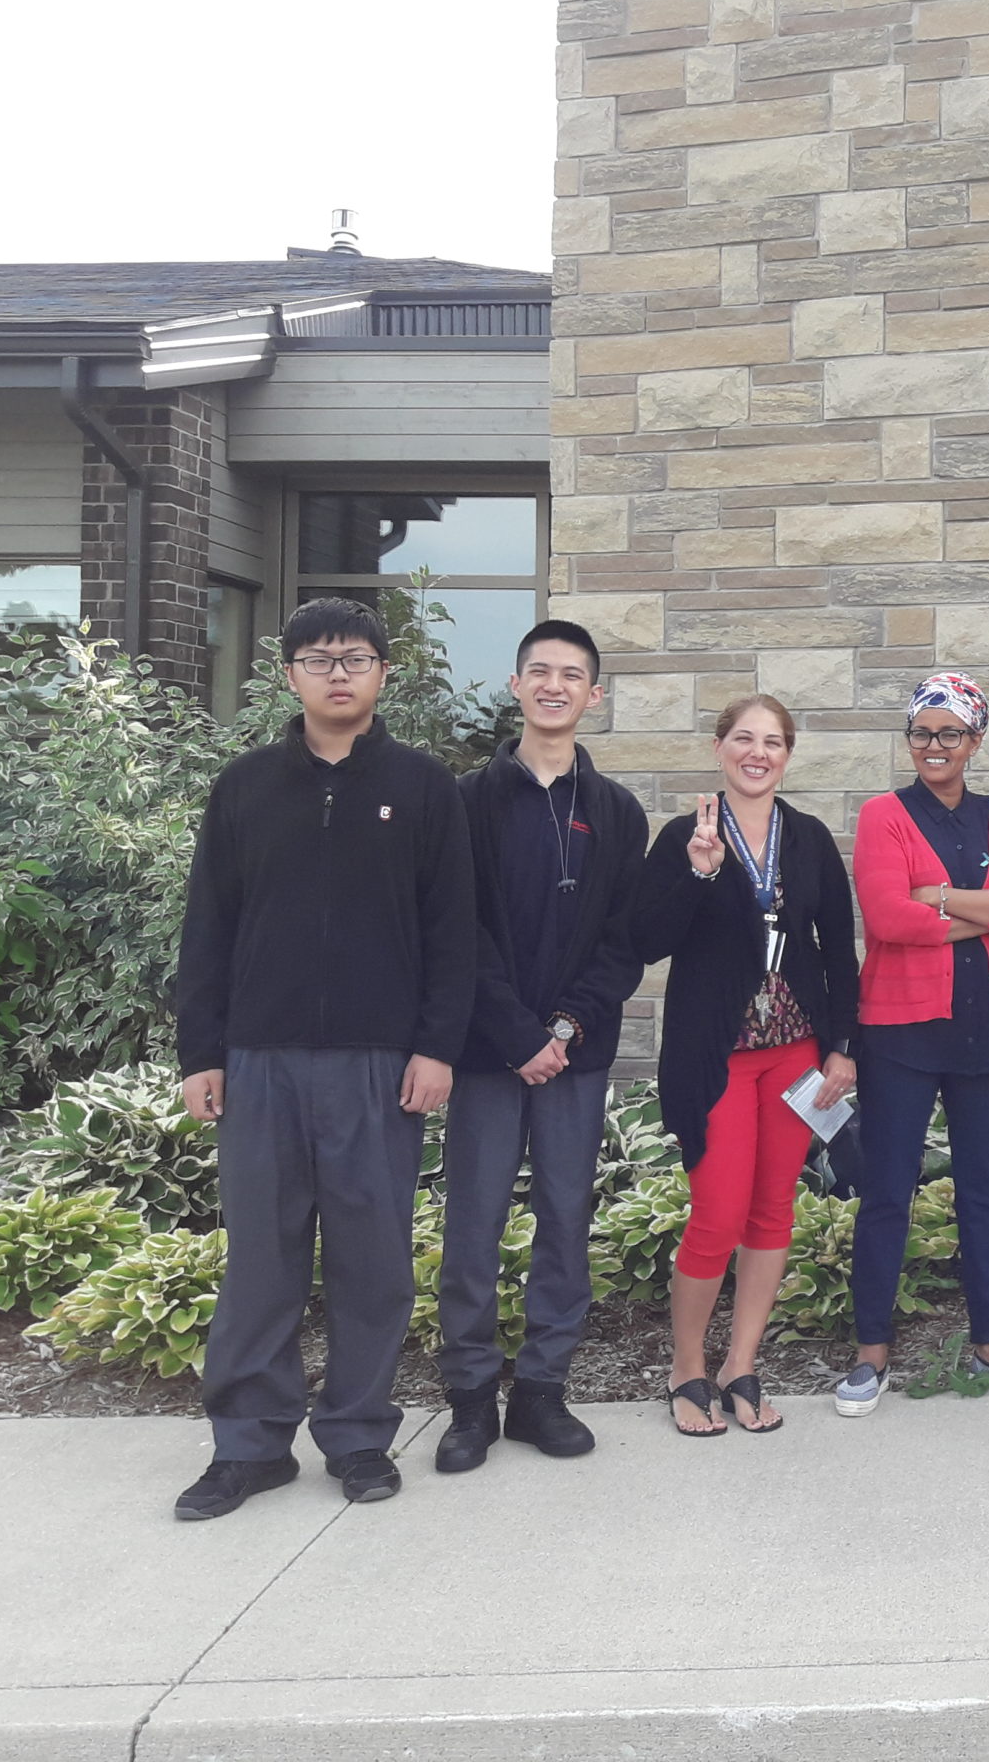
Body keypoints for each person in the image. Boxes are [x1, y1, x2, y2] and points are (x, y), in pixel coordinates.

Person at [173, 598, 476, 1520]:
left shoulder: (425, 788)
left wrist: (436, 1048)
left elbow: (453, 934)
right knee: (261, 1258)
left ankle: (356, 1436)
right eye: (317, 658)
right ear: (290, 674)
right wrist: (202, 1050)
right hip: (260, 1059)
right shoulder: (246, 786)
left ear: (384, 673)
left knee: (370, 1258)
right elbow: (208, 929)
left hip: (378, 1066)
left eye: (355, 657)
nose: (337, 672)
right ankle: (250, 1445)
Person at [432, 620, 645, 1473]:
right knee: (473, 1223)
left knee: (565, 1218)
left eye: (574, 675)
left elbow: (624, 941)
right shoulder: (465, 801)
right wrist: (516, 1033)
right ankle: (470, 1400)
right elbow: (455, 930)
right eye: (540, 672)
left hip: (573, 1058)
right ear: (516, 686)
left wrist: (561, 1031)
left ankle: (543, 1391)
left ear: (594, 696)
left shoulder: (617, 813)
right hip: (488, 1054)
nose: (556, 686)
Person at [632, 695, 857, 1436]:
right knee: (717, 1215)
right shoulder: (683, 836)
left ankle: (742, 1365)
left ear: (788, 756)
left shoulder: (811, 839)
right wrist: (699, 875)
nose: (757, 753)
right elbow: (645, 941)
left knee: (771, 1211)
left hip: (796, 1055)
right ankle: (687, 1366)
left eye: (773, 743)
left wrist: (843, 1047)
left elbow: (836, 950)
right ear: (720, 747)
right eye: (743, 739)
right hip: (715, 1055)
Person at [836, 674, 989, 1416]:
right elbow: (886, 916)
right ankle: (872, 1351)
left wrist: (935, 895)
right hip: (900, 1030)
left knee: (984, 1190)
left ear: (975, 741)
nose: (934, 747)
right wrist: (983, 908)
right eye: (922, 734)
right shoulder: (883, 816)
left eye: (950, 734)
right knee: (887, 1191)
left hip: (987, 1027)